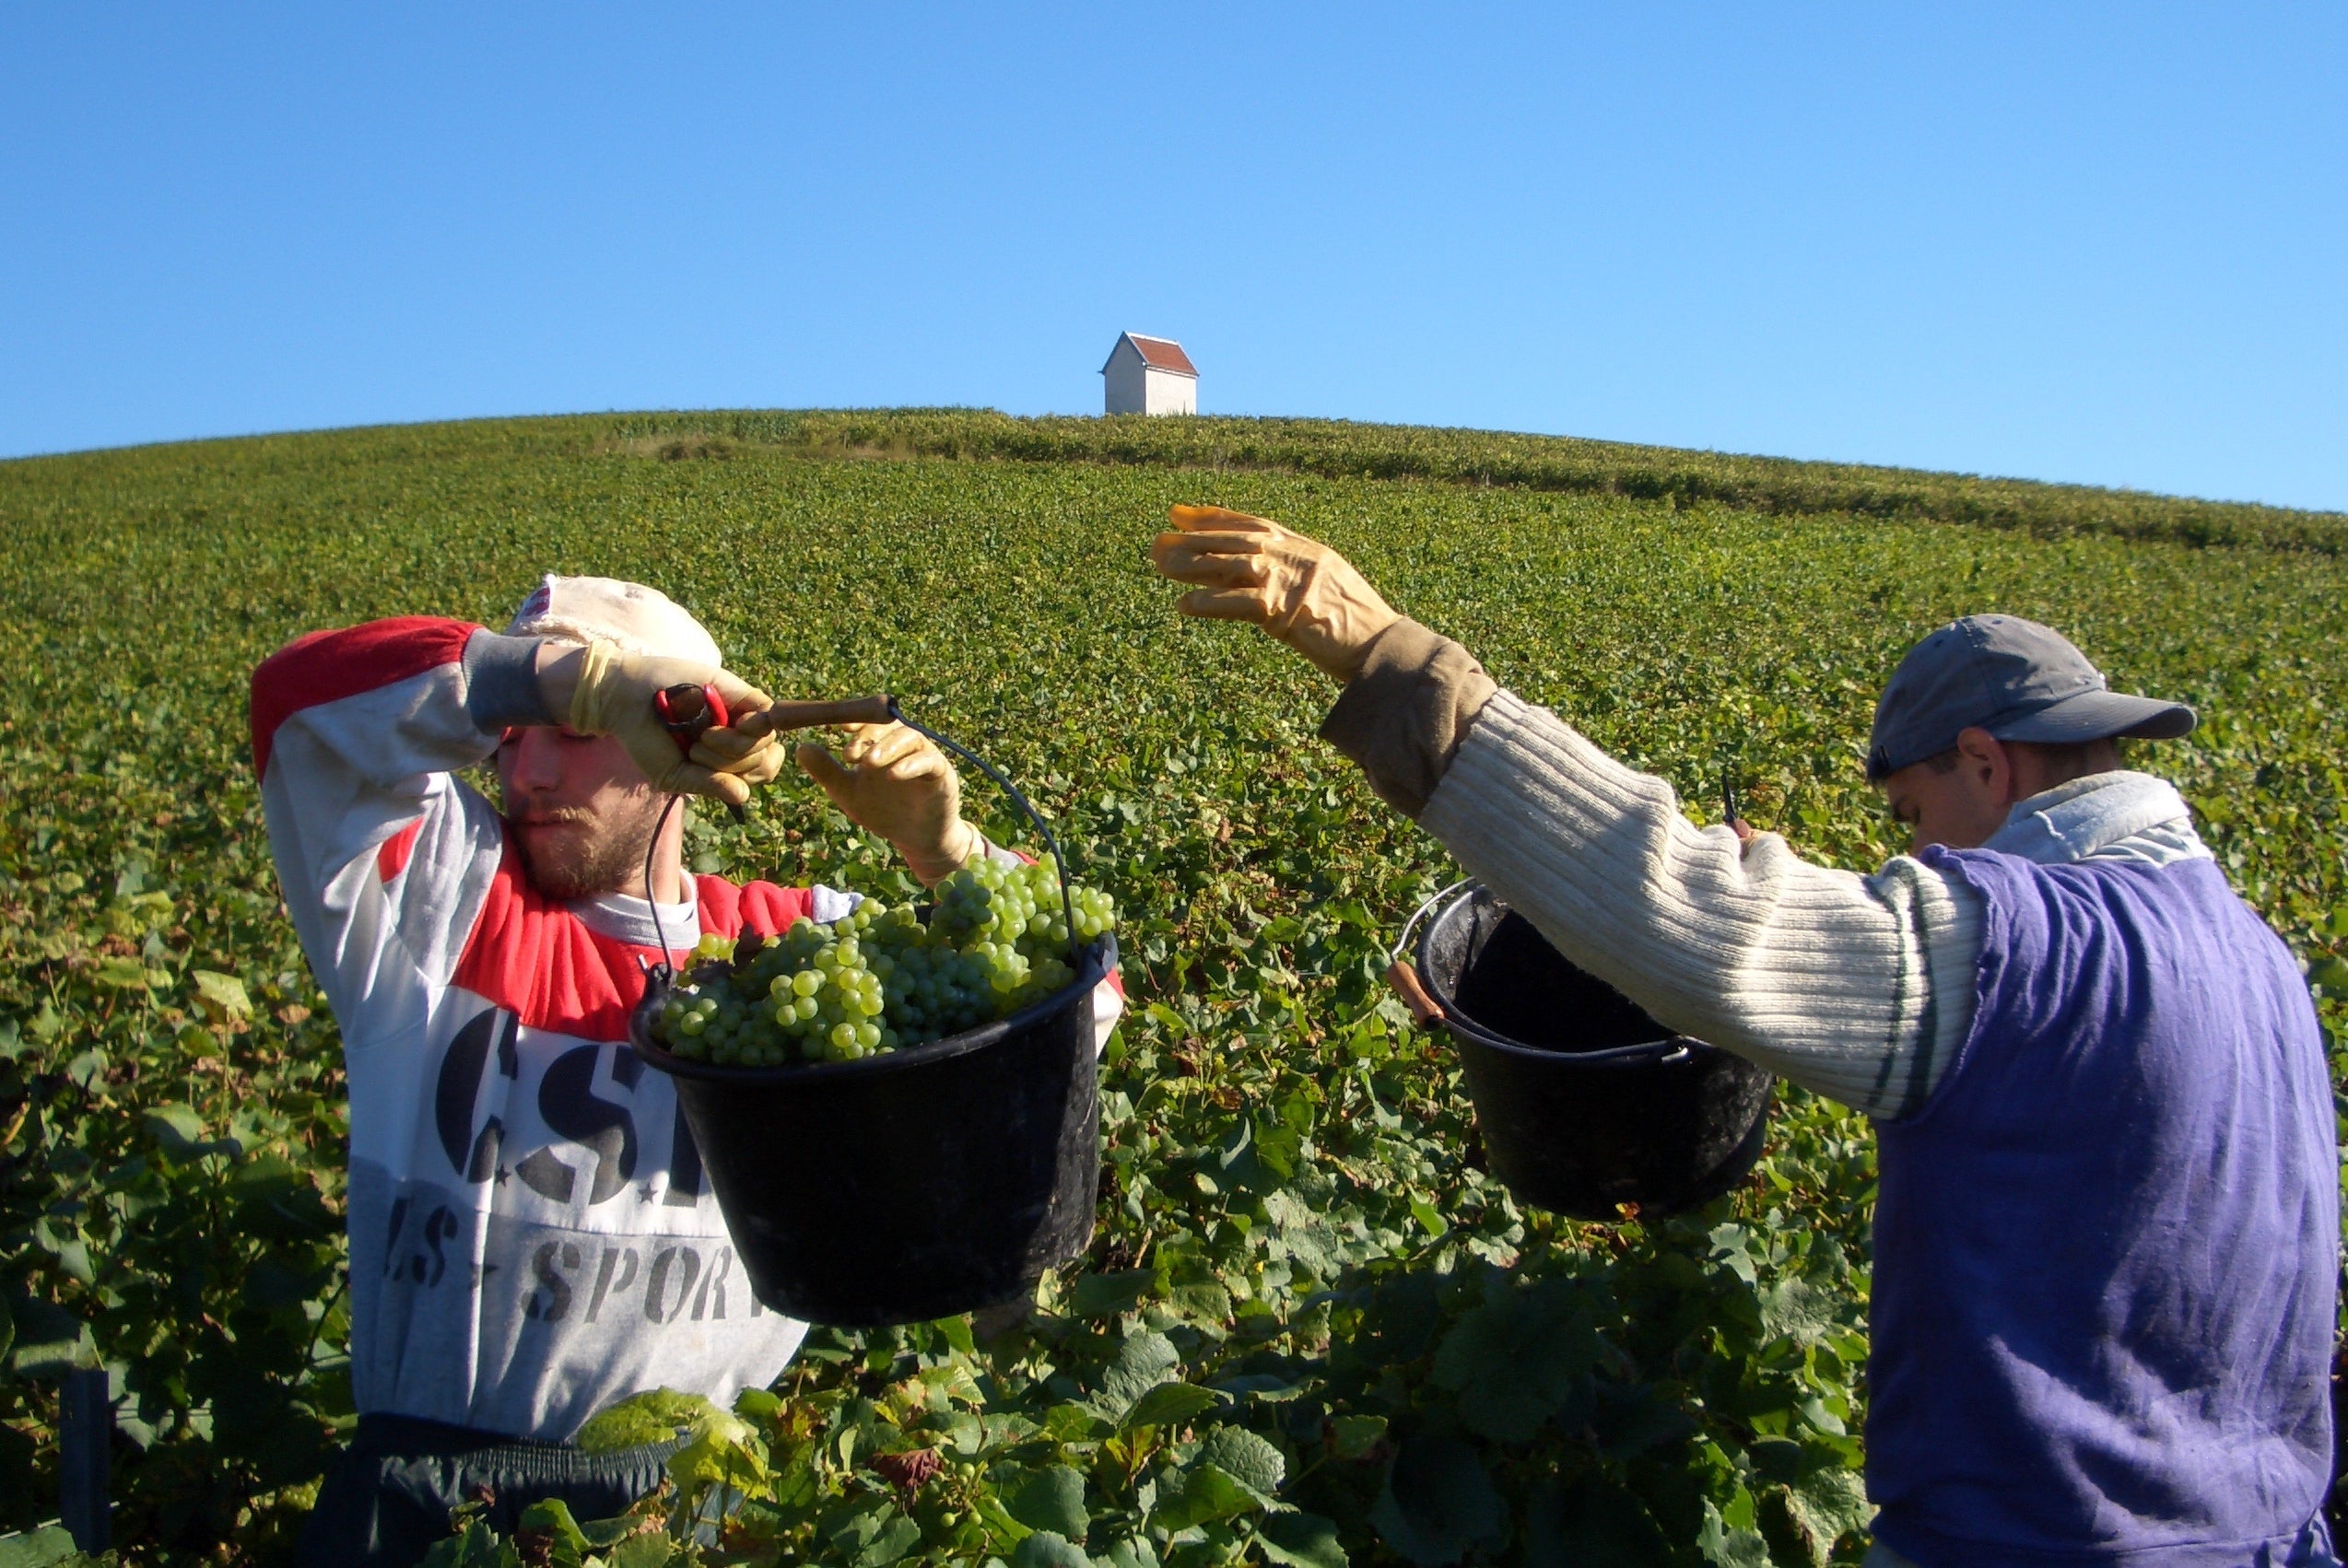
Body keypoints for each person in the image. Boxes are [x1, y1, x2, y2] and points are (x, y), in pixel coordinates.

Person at [1150, 505, 2338, 1568]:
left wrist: (1388, 657)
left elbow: (1692, 918)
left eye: (1916, 818)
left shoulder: (2032, 945)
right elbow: (2042, 1134)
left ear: (1985, 758)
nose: (1917, 858)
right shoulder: (2261, 964)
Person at [251, 577, 1121, 1566]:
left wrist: (945, 854)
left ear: (685, 749)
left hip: (692, 1513)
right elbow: (299, 706)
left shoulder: (799, 946)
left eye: (574, 734)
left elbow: (1083, 1006)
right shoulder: (436, 905)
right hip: (428, 1509)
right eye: (513, 731)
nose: (525, 768)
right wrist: (569, 683)